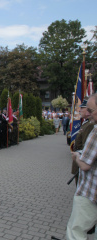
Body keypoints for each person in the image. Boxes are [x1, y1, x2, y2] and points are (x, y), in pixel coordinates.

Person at [66, 94, 97, 240]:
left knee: (76, 230)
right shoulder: (88, 125)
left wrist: (77, 156)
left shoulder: (94, 129)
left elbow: (85, 164)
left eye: (90, 109)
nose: (88, 113)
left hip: (91, 191)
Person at [72, 100, 94, 186]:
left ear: (88, 110)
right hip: (79, 160)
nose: (79, 110)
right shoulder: (86, 123)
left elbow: (86, 146)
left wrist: (78, 156)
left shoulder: (90, 125)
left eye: (82, 108)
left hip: (82, 160)